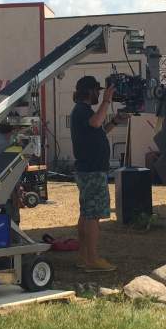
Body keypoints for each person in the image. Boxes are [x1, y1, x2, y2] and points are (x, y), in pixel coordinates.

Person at [70, 75, 129, 272]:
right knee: (93, 215)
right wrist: (106, 100)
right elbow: (96, 123)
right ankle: (92, 259)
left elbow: (98, 129)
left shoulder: (83, 111)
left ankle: (83, 256)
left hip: (89, 170)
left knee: (86, 213)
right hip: (92, 171)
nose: (99, 93)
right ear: (89, 91)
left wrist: (115, 121)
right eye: (97, 90)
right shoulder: (81, 110)